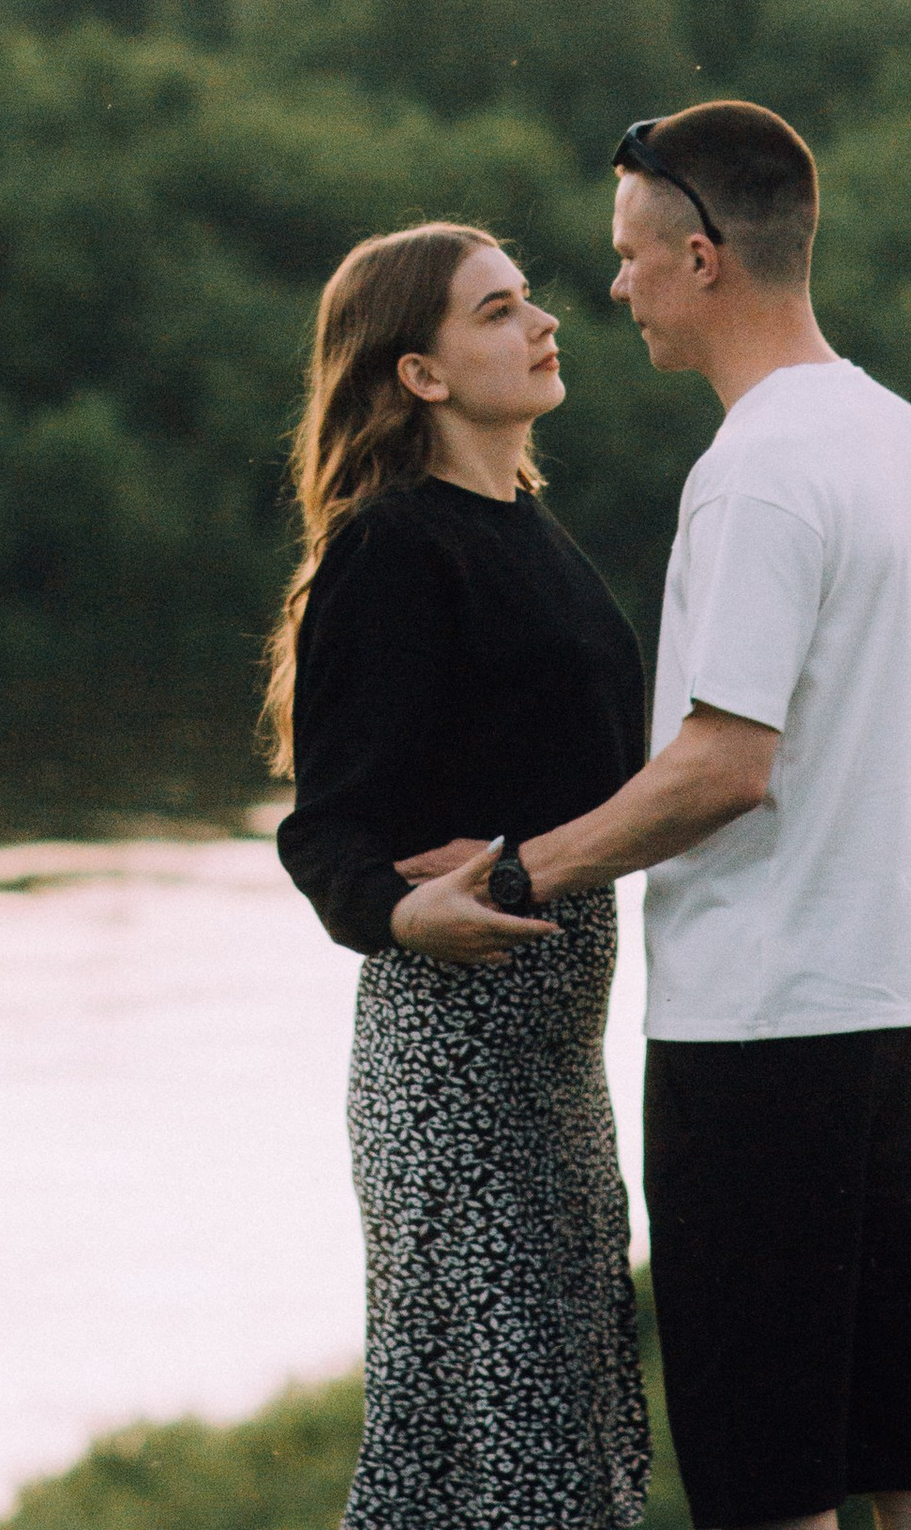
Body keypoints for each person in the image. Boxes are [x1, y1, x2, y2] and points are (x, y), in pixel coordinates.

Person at [429, 101, 911, 1530]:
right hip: (889, 997)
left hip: (761, 1022)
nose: (611, 289)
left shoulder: (756, 476)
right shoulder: (893, 434)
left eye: (627, 257)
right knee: (908, 1430)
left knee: (762, 1469)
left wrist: (510, 875)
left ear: (704, 255)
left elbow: (726, 767)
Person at [269, 220, 653, 1530]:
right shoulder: (394, 551)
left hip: (556, 1068)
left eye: (528, 301)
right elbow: (325, 831)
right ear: (418, 373)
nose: (542, 323)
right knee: (502, 1464)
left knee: (568, 1447)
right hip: (453, 1061)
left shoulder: (527, 526)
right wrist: (402, 911)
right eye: (496, 311)